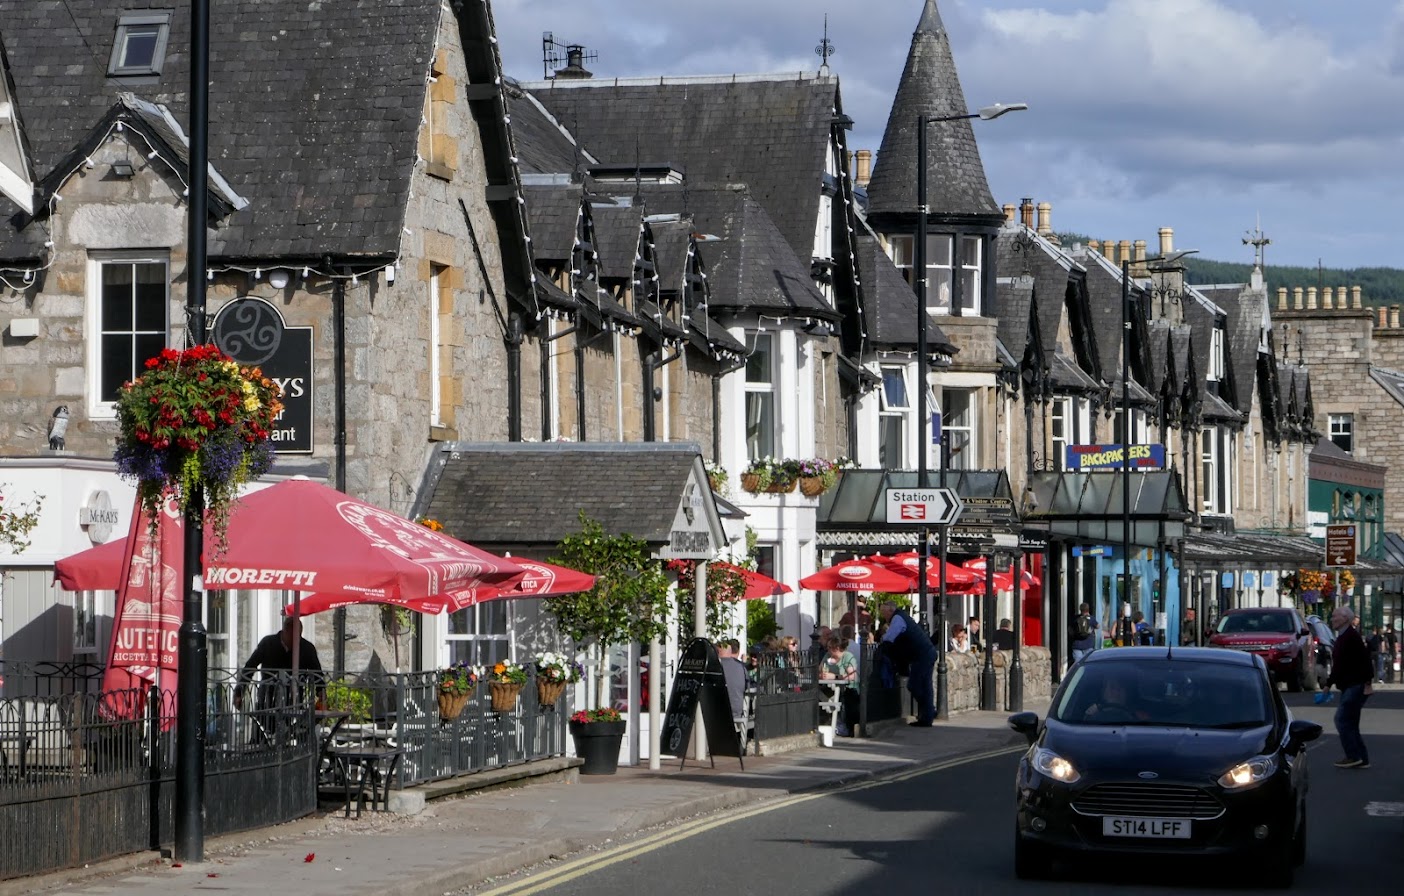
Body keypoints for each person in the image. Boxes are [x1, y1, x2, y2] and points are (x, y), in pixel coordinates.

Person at [1324, 605, 1373, 769]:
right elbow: (1340, 665)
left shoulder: (1350, 637)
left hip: (1355, 685)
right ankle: (1362, 758)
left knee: (1342, 720)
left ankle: (1353, 755)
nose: (1332, 619)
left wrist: (1367, 683)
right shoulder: (1344, 636)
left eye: (1335, 616)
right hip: (1350, 684)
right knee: (1351, 722)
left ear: (1345, 618)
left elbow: (1364, 661)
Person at [880, 600, 938, 727]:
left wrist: (882, 643)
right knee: (925, 686)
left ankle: (929, 711)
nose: (883, 616)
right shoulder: (901, 617)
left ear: (890, 610)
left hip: (922, 655)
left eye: (884, 612)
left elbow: (889, 638)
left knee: (914, 685)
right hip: (926, 653)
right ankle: (928, 715)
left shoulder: (898, 618)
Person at [717, 638, 751, 723]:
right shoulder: (741, 667)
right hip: (736, 713)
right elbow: (748, 688)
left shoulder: (714, 667)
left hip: (716, 713)